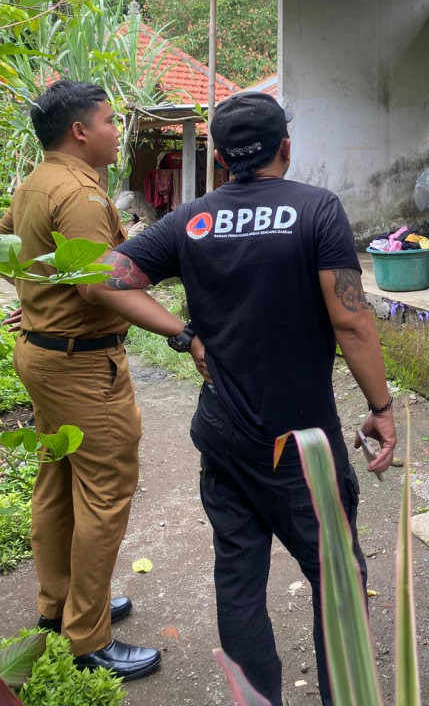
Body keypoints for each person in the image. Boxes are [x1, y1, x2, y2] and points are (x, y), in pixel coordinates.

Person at [79, 90, 397, 706]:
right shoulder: (316, 210)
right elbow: (353, 323)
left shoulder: (191, 220)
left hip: (225, 434)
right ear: (285, 146)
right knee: (337, 576)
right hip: (302, 442)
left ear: (220, 158)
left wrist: (183, 333)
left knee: (239, 579)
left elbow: (100, 278)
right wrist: (381, 408)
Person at [0, 80, 161, 681]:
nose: (116, 130)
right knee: (104, 492)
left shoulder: (37, 182)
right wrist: (179, 330)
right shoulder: (81, 197)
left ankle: (59, 604)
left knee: (57, 480)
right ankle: (86, 637)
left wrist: (37, 299)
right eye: (109, 120)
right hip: (82, 366)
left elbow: (12, 242)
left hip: (44, 355)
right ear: (80, 131)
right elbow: (99, 287)